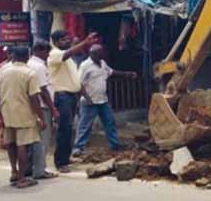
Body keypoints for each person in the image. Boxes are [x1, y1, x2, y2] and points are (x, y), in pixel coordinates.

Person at [72, 44, 137, 156]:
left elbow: (111, 72)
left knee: (110, 122)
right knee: (85, 125)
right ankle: (78, 148)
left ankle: (115, 145)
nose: (103, 54)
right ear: (93, 54)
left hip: (102, 100)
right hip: (90, 102)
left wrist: (127, 74)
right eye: (100, 53)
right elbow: (79, 83)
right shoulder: (85, 66)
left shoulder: (102, 63)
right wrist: (87, 98)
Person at [0, 46, 45, 189]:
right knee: (23, 145)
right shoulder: (30, 73)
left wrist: (0, 112)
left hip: (7, 112)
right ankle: (22, 178)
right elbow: (34, 97)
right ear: (27, 57)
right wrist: (41, 117)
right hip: (24, 114)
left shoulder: (3, 70)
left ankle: (14, 171)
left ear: (13, 56)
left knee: (11, 143)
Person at [48, 30, 97, 173]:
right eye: (64, 40)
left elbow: (76, 80)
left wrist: (86, 97)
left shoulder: (69, 60)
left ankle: (65, 158)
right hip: (62, 96)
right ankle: (60, 162)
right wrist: (85, 43)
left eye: (68, 39)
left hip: (71, 97)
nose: (68, 42)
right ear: (56, 42)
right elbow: (67, 53)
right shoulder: (55, 54)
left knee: (69, 129)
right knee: (64, 129)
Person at [26, 40, 59, 180]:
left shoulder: (28, 64)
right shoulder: (38, 67)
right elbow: (43, 90)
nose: (48, 55)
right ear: (40, 51)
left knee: (32, 139)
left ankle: (29, 168)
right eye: (47, 52)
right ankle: (40, 170)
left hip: (30, 107)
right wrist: (53, 109)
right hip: (42, 106)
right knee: (42, 139)